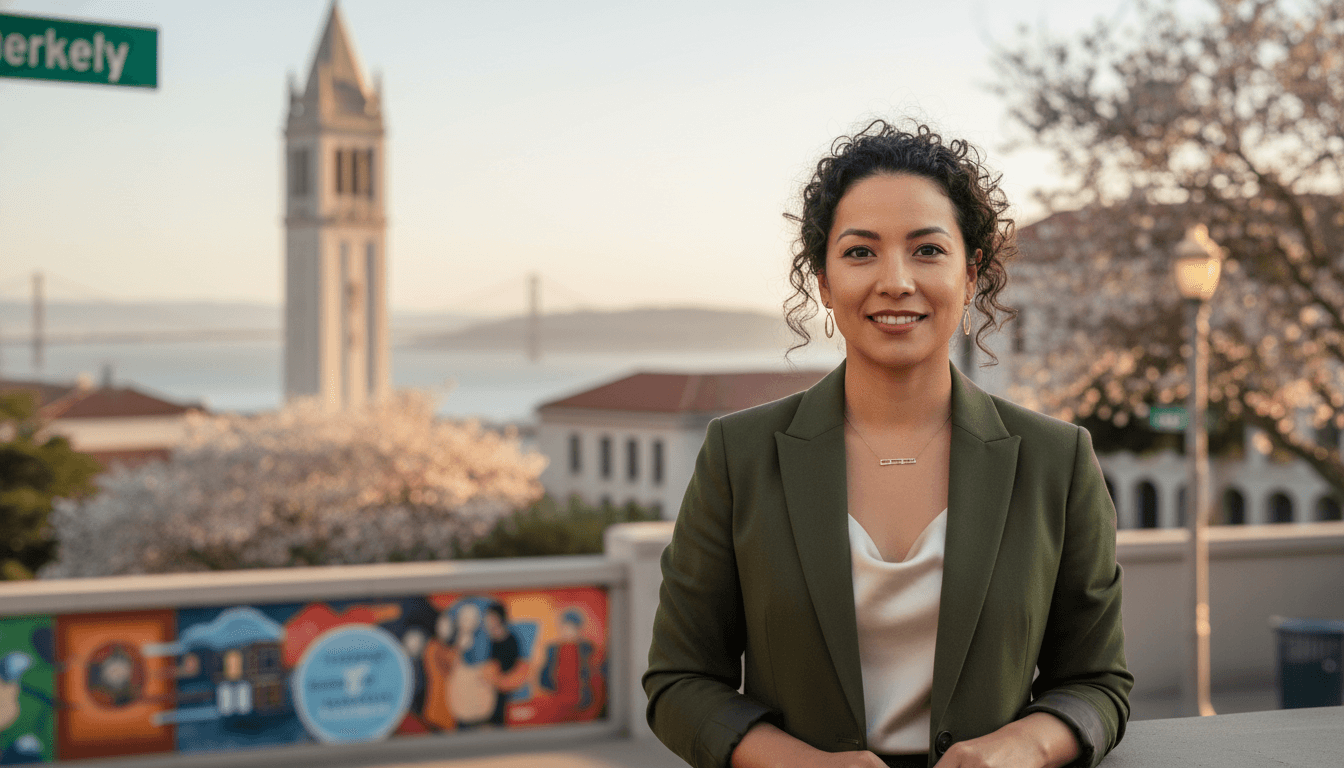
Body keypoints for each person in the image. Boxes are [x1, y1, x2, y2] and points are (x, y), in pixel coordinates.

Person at [643, 121, 1131, 768]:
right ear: (823, 279)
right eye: (860, 252)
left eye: (928, 250)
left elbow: (1101, 684)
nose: (896, 280)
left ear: (971, 272)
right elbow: (678, 683)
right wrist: (804, 766)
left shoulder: (1056, 461)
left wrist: (1025, 746)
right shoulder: (740, 454)